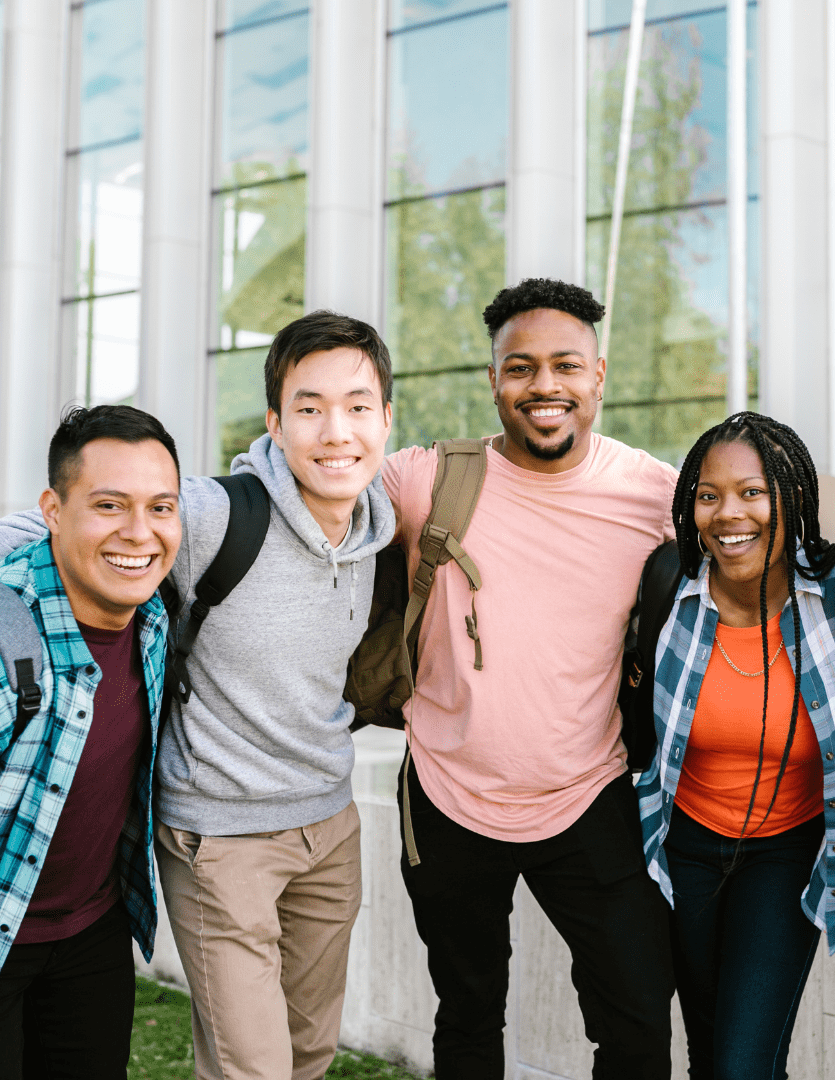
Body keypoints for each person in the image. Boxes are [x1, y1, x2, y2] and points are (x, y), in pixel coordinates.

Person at [0, 311, 396, 1080]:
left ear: (386, 420)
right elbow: (77, 517)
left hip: (328, 825)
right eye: (309, 409)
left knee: (310, 1054)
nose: (335, 431)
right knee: (253, 1068)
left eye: (356, 407)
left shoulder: (385, 526)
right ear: (275, 424)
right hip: (219, 839)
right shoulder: (213, 515)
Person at [379, 277, 678, 1079]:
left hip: (591, 793)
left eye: (566, 366)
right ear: (494, 382)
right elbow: (300, 488)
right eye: (520, 368)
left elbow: (771, 540)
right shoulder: (427, 480)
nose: (544, 387)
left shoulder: (657, 494)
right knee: (468, 1018)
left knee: (639, 1024)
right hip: (446, 795)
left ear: (599, 375)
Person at [635, 412, 835, 1080]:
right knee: (712, 1054)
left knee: (741, 1064)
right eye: (709, 495)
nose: (728, 513)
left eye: (752, 491)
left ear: (792, 497)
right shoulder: (669, 587)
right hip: (683, 847)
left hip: (786, 853)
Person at [0, 405, 182, 1079]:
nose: (140, 533)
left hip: (91, 932)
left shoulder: (160, 613)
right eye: (109, 504)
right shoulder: (6, 631)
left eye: (160, 507)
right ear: (53, 509)